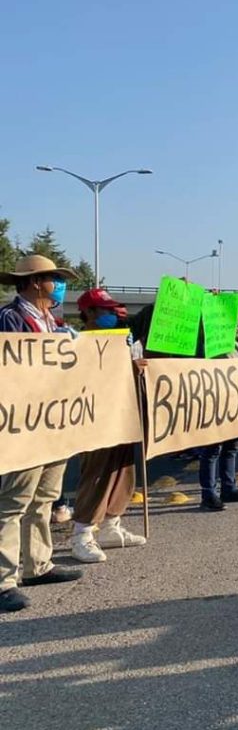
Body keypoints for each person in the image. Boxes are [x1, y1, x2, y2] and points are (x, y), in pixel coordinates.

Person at [0, 255, 85, 612]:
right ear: (35, 282)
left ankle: (37, 564)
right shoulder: (10, 318)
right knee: (13, 501)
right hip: (25, 423)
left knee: (44, 496)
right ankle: (4, 580)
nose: (57, 284)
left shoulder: (52, 321)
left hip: (53, 422)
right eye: (53, 278)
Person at [69, 289, 147, 562]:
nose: (113, 316)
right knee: (97, 472)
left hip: (121, 411)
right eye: (106, 311)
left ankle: (112, 524)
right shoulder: (74, 342)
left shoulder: (119, 341)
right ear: (89, 313)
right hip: (93, 416)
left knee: (123, 469)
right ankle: (82, 533)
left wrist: (135, 367)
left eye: (114, 312)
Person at [198, 309, 238, 511]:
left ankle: (228, 488)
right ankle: (208, 493)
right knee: (213, 448)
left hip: (237, 399)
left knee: (232, 446)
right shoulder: (212, 336)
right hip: (216, 398)